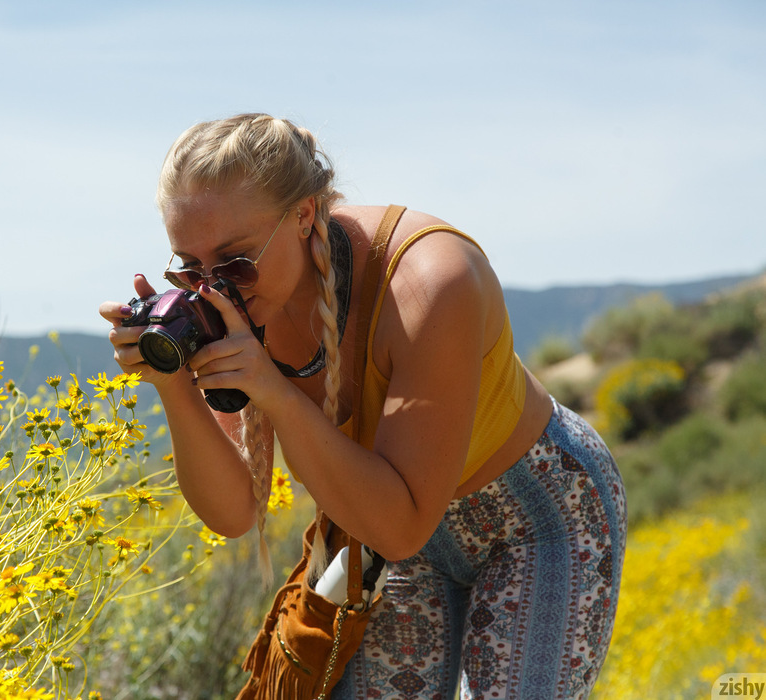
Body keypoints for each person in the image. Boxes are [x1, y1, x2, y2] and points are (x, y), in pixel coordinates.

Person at [99, 113, 626, 700]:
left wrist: (271, 389)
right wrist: (170, 379)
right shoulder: (229, 306)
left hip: (535, 519)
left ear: (303, 214)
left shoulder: (429, 279)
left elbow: (402, 525)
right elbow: (233, 513)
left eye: (235, 262)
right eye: (190, 269)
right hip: (380, 533)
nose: (214, 288)